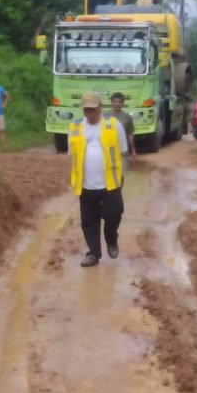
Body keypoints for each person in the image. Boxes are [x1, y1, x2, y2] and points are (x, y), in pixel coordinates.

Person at [68, 93, 129, 268]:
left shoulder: (113, 125)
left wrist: (122, 176)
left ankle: (111, 238)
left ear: (100, 108)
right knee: (89, 221)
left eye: (93, 109)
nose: (90, 113)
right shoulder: (75, 127)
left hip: (110, 182)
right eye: (86, 109)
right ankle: (93, 253)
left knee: (114, 213)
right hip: (86, 184)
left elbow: (123, 152)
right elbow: (73, 156)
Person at [107, 92, 137, 169]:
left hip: (122, 150)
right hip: (108, 150)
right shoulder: (105, 116)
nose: (117, 104)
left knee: (122, 173)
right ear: (111, 103)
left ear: (122, 103)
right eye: (115, 102)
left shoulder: (127, 117)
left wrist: (133, 151)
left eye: (119, 102)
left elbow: (130, 134)